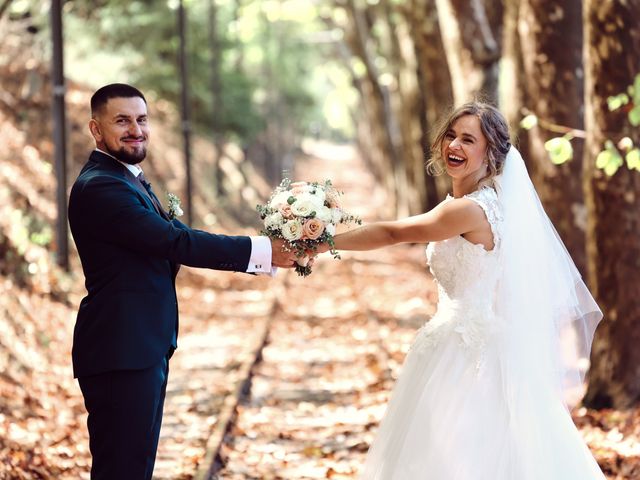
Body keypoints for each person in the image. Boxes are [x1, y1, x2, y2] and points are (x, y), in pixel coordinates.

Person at [317, 102, 605, 479]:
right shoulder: (469, 204)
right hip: (460, 340)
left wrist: (320, 242)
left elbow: (392, 233)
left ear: (491, 155)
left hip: (469, 354)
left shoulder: (470, 211)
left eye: (469, 140)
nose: (454, 145)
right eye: (451, 135)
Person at [68, 83, 297, 480]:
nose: (135, 129)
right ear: (96, 129)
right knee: (121, 470)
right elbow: (174, 241)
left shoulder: (127, 179)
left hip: (140, 344)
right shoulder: (101, 187)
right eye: (121, 121)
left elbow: (170, 239)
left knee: (135, 467)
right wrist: (262, 251)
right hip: (120, 349)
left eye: (141, 119)